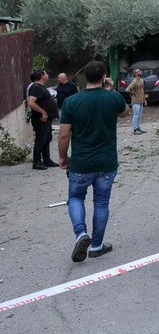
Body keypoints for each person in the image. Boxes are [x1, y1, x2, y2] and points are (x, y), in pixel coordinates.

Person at [59, 60, 131, 262]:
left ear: (84, 78)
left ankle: (81, 234)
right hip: (107, 162)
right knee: (101, 202)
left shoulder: (71, 102)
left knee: (75, 198)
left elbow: (64, 136)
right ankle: (97, 245)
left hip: (81, 163)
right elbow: (126, 112)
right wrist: (110, 88)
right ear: (103, 77)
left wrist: (63, 157)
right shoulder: (113, 98)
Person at [26, 69, 58, 170]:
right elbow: (31, 102)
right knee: (40, 139)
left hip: (47, 119)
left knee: (47, 138)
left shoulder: (40, 87)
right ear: (41, 76)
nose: (48, 75)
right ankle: (36, 162)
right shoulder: (35, 87)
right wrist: (43, 112)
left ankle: (47, 160)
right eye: (46, 73)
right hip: (41, 119)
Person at [127, 68, 147, 134]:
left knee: (139, 115)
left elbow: (142, 91)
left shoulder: (141, 80)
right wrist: (133, 93)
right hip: (135, 101)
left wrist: (145, 100)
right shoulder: (134, 81)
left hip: (141, 101)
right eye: (139, 71)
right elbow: (127, 89)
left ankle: (138, 128)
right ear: (136, 74)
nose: (140, 72)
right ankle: (135, 129)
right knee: (136, 115)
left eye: (140, 71)